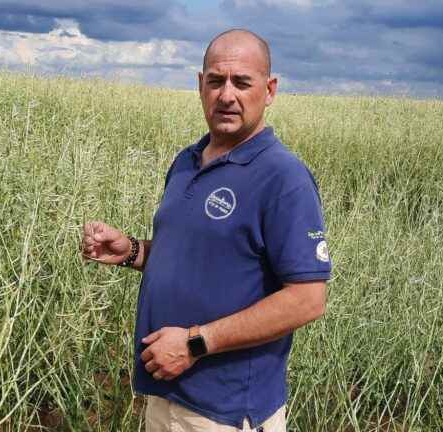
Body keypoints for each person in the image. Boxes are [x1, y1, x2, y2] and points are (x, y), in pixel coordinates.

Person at [81, 29, 331, 432]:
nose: (226, 95)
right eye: (215, 81)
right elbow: (200, 257)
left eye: (242, 82)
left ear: (269, 90)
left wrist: (195, 343)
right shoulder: (187, 162)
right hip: (166, 391)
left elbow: (307, 299)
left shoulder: (284, 177)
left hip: (226, 411)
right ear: (200, 86)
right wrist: (130, 251)